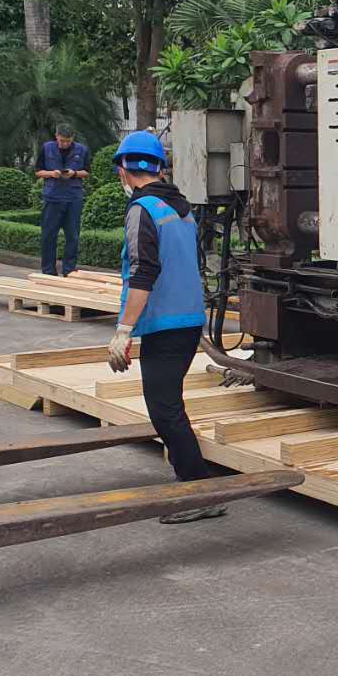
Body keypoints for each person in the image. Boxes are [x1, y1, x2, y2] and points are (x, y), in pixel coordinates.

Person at [106, 130, 221, 524]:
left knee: (164, 409)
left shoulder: (143, 210)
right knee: (168, 405)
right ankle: (192, 482)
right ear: (158, 167)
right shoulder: (182, 208)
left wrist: (124, 330)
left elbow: (143, 272)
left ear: (124, 169)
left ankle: (199, 490)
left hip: (166, 325)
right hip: (187, 320)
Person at [36, 122, 90, 277]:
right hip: (52, 196)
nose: (65, 144)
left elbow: (87, 172)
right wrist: (51, 174)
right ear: (56, 136)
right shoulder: (47, 148)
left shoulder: (82, 150)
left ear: (73, 138)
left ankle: (69, 271)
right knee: (48, 235)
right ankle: (48, 271)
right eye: (62, 140)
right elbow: (38, 171)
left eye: (68, 141)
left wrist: (74, 173)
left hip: (73, 197)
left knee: (72, 235)